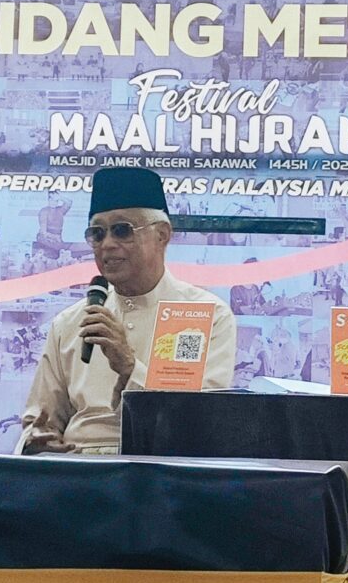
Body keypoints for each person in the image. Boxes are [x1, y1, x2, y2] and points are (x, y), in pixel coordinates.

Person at [19, 167, 237, 455]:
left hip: (160, 470)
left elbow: (199, 425)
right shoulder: (69, 323)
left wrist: (130, 367)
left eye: (122, 230)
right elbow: (38, 422)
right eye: (97, 234)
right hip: (75, 469)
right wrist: (36, 442)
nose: (107, 244)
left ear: (162, 235)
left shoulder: (206, 315)